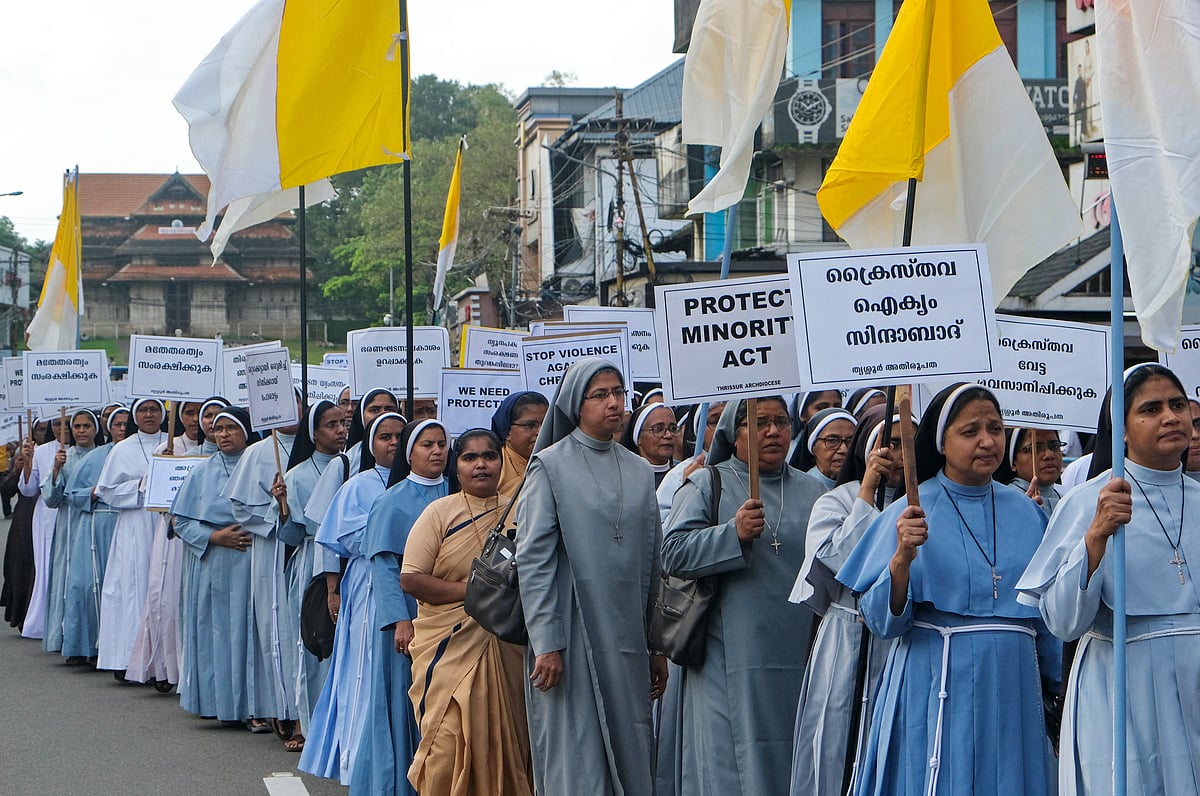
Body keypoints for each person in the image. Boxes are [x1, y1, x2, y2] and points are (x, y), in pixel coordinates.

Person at [838, 383, 1060, 795]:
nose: (987, 441)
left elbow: (1046, 620)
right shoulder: (911, 510)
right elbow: (880, 622)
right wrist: (902, 559)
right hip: (935, 675)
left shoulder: (1029, 514)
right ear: (942, 442)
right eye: (970, 430)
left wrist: (1059, 689)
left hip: (1013, 685)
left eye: (995, 428)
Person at [1017, 364, 1200, 794]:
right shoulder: (1088, 501)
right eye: (1151, 409)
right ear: (1119, 428)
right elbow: (1063, 623)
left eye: (1177, 405)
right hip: (1121, 680)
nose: (1171, 417)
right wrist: (1095, 537)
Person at [517, 358, 666, 796]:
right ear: (576, 405)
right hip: (572, 633)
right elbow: (534, 560)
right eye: (600, 395)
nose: (614, 403)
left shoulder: (640, 470)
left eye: (618, 393)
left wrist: (656, 643)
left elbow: (653, 564)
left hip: (626, 636)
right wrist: (546, 642)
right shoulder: (550, 466)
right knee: (577, 754)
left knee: (631, 746)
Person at [660, 397, 823, 794]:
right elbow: (672, 552)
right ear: (735, 434)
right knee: (733, 769)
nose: (773, 431)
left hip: (798, 652)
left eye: (781, 422)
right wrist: (731, 534)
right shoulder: (706, 482)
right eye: (760, 422)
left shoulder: (813, 489)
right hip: (728, 654)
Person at [401, 428, 533, 794]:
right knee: (446, 744)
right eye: (469, 458)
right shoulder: (439, 513)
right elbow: (411, 579)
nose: (480, 465)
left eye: (489, 456)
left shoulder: (520, 512)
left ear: (500, 461)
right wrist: (476, 594)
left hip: (508, 646)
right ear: (456, 468)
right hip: (447, 647)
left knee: (510, 740)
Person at [788, 406, 903, 796]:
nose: (899, 456)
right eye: (891, 444)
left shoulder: (921, 503)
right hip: (846, 635)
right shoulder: (837, 500)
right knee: (837, 737)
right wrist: (868, 493)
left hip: (900, 639)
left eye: (908, 445)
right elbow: (840, 563)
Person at [300, 411, 410, 790]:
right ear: (371, 443)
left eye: (400, 435)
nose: (394, 443)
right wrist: (333, 588)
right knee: (365, 667)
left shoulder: (427, 484)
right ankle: (357, 755)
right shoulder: (358, 484)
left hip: (416, 583)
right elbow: (337, 538)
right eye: (385, 437)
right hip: (367, 584)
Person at [353, 418, 451, 795]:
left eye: (442, 443)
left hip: (455, 613)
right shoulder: (391, 501)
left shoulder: (458, 493)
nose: (437, 451)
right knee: (404, 701)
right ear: (410, 452)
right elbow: (384, 566)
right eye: (427, 444)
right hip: (410, 617)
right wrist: (400, 620)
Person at [222, 391, 304, 738]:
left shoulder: (316, 449)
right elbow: (240, 508)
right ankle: (279, 705)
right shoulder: (257, 453)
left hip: (304, 547)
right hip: (270, 550)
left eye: (295, 402)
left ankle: (304, 708)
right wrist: (276, 516)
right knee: (275, 626)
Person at [269, 399, 347, 743]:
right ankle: (308, 723)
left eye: (344, 423)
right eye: (332, 425)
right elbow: (292, 536)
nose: (341, 430)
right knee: (314, 643)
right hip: (312, 562)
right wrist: (283, 509)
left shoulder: (354, 465)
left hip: (347, 561)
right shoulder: (297, 475)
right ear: (313, 433)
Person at [173, 407, 255, 723]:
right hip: (214, 562)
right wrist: (214, 536)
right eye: (218, 429)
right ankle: (216, 702)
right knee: (217, 634)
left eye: (230, 428)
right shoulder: (200, 472)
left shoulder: (260, 463)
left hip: (251, 561)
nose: (223, 434)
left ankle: (252, 704)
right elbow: (180, 520)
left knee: (249, 632)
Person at [126, 400, 205, 689]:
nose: (196, 420)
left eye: (202, 413)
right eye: (189, 413)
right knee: (168, 600)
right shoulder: (167, 449)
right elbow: (153, 498)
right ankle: (166, 666)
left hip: (209, 536)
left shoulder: (221, 449)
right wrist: (166, 468)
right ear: (178, 417)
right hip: (173, 537)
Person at [95, 398, 166, 675]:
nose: (149, 414)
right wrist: (140, 485)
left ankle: (162, 660)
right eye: (144, 410)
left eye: (155, 409)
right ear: (136, 415)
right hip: (134, 525)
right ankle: (127, 658)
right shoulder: (122, 449)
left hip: (163, 525)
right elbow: (108, 491)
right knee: (131, 590)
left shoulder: (175, 444)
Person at [57, 409, 126, 662]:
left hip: (131, 526)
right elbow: (72, 495)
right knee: (86, 586)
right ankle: (85, 646)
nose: (121, 429)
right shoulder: (95, 458)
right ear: (108, 428)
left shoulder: (142, 454)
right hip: (96, 527)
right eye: (116, 424)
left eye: (125, 424)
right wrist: (95, 492)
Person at [41, 409, 102, 654]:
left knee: (90, 584)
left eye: (87, 426)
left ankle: (91, 639)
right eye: (76, 426)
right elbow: (51, 499)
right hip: (69, 526)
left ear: (95, 429)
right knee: (67, 582)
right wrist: (56, 469)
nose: (81, 430)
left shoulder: (104, 455)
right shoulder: (64, 456)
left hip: (96, 524)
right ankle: (64, 637)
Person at [17, 415, 66, 639]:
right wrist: (27, 465)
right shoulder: (41, 451)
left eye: (66, 423)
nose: (61, 428)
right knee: (47, 567)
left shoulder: (84, 450)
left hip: (74, 514)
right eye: (56, 424)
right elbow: (28, 490)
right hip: (47, 516)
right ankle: (44, 622)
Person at [1, 423, 49, 631]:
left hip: (49, 514)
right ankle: (23, 614)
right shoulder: (25, 452)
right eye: (39, 429)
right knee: (23, 566)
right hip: (25, 518)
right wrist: (17, 469)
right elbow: (7, 490)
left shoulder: (59, 452)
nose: (43, 433)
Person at [489, 391, 548, 497]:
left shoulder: (558, 461)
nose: (540, 431)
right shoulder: (493, 466)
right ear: (506, 431)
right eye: (529, 425)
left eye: (545, 424)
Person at [1001, 428, 1066, 518]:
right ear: (1013, 462)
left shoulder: (1069, 498)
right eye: (1036, 448)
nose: (1049, 455)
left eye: (1055, 446)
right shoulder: (1002, 502)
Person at [791, 407, 858, 491]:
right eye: (832, 440)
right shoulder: (800, 489)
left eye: (850, 441)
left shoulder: (866, 486)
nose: (844, 450)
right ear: (813, 446)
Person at [620, 402, 679, 488]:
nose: (668, 435)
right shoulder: (625, 482)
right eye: (658, 429)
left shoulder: (682, 475)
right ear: (638, 438)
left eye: (673, 428)